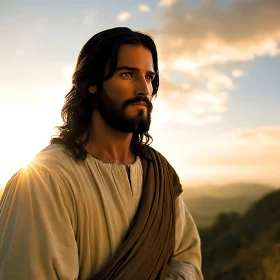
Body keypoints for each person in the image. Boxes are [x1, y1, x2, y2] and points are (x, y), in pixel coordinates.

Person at [0, 27, 203, 280]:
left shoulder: (159, 173)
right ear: (92, 84)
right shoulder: (46, 179)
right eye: (127, 74)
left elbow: (187, 257)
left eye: (149, 77)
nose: (143, 88)